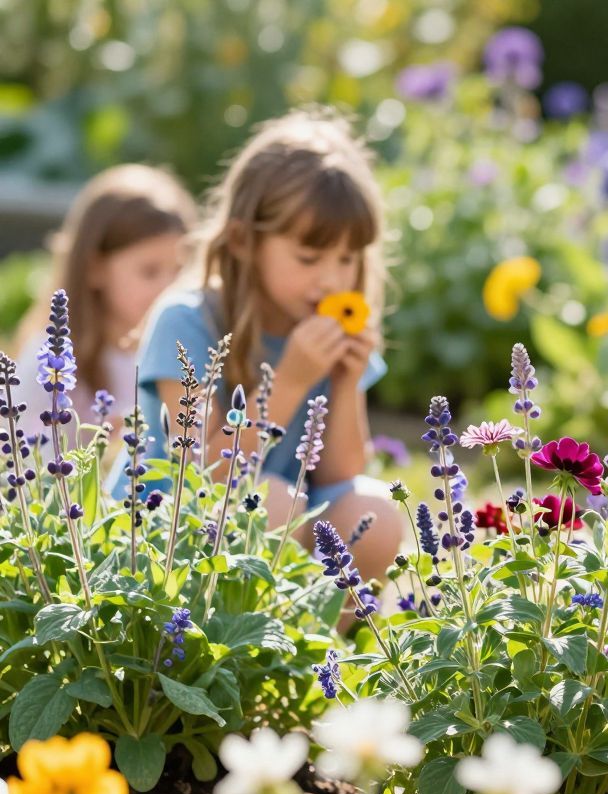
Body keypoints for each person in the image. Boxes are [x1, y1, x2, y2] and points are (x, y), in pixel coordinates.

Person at [120, 108, 403, 587]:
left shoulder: (329, 326)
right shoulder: (187, 321)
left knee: (376, 515)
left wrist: (347, 379)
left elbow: (342, 474)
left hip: (280, 520)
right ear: (243, 242)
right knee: (267, 501)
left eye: (348, 259)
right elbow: (203, 474)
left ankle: (314, 654)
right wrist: (289, 381)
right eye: (309, 257)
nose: (333, 279)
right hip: (163, 544)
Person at [11, 164, 195, 436]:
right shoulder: (51, 359)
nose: (169, 287)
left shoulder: (180, 352)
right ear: (95, 268)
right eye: (149, 271)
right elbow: (22, 461)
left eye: (180, 270)